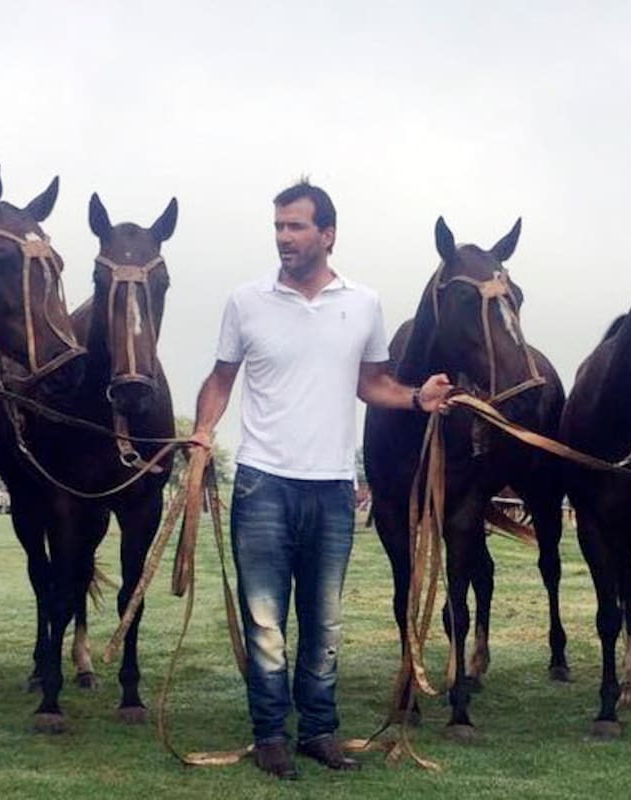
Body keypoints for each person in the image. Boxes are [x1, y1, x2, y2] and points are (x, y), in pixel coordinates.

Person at [190, 180, 452, 779]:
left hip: (333, 487)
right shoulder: (246, 301)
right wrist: (204, 431)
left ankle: (319, 732)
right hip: (262, 483)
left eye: (295, 226)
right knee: (265, 621)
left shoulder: (363, 303)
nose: (283, 237)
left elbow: (373, 383)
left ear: (327, 234)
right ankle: (271, 736)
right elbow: (221, 379)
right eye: (278, 226)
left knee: (324, 623)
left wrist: (417, 398)